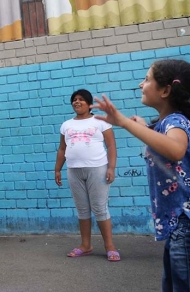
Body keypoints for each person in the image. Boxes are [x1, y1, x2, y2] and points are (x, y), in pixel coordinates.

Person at [91, 59, 190, 291]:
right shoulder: (165, 124)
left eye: (147, 79)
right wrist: (143, 126)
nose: (141, 84)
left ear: (165, 90)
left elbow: (174, 149)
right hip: (182, 227)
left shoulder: (176, 121)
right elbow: (163, 141)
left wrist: (123, 121)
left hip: (189, 227)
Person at [54, 89, 120, 262]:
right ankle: (86, 245)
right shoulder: (66, 125)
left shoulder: (100, 121)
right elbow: (62, 149)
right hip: (74, 170)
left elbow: (111, 146)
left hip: (97, 168)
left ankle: (110, 247)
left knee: (99, 208)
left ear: (89, 104)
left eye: (81, 99)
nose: (77, 102)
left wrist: (111, 168)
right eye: (74, 99)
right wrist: (58, 169)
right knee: (82, 209)